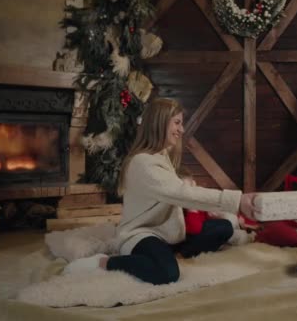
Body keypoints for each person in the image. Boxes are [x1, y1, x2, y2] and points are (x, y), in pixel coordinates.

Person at [63, 98, 257, 284]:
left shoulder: (162, 156)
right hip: (143, 233)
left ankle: (174, 252)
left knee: (223, 227)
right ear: (160, 123)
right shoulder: (143, 163)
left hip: (169, 232)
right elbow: (183, 195)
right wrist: (238, 201)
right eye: (177, 123)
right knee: (167, 273)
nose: (181, 129)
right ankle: (103, 262)